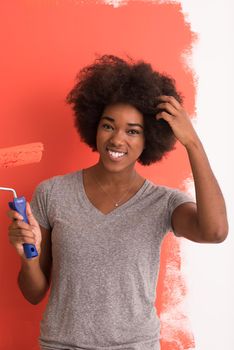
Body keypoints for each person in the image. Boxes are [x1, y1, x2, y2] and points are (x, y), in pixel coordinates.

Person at [8, 55, 228, 350]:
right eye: (108, 126)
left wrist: (192, 143)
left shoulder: (163, 203)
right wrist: (27, 258)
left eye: (132, 131)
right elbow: (34, 293)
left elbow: (215, 232)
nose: (117, 140)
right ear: (94, 127)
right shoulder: (53, 193)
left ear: (148, 138)